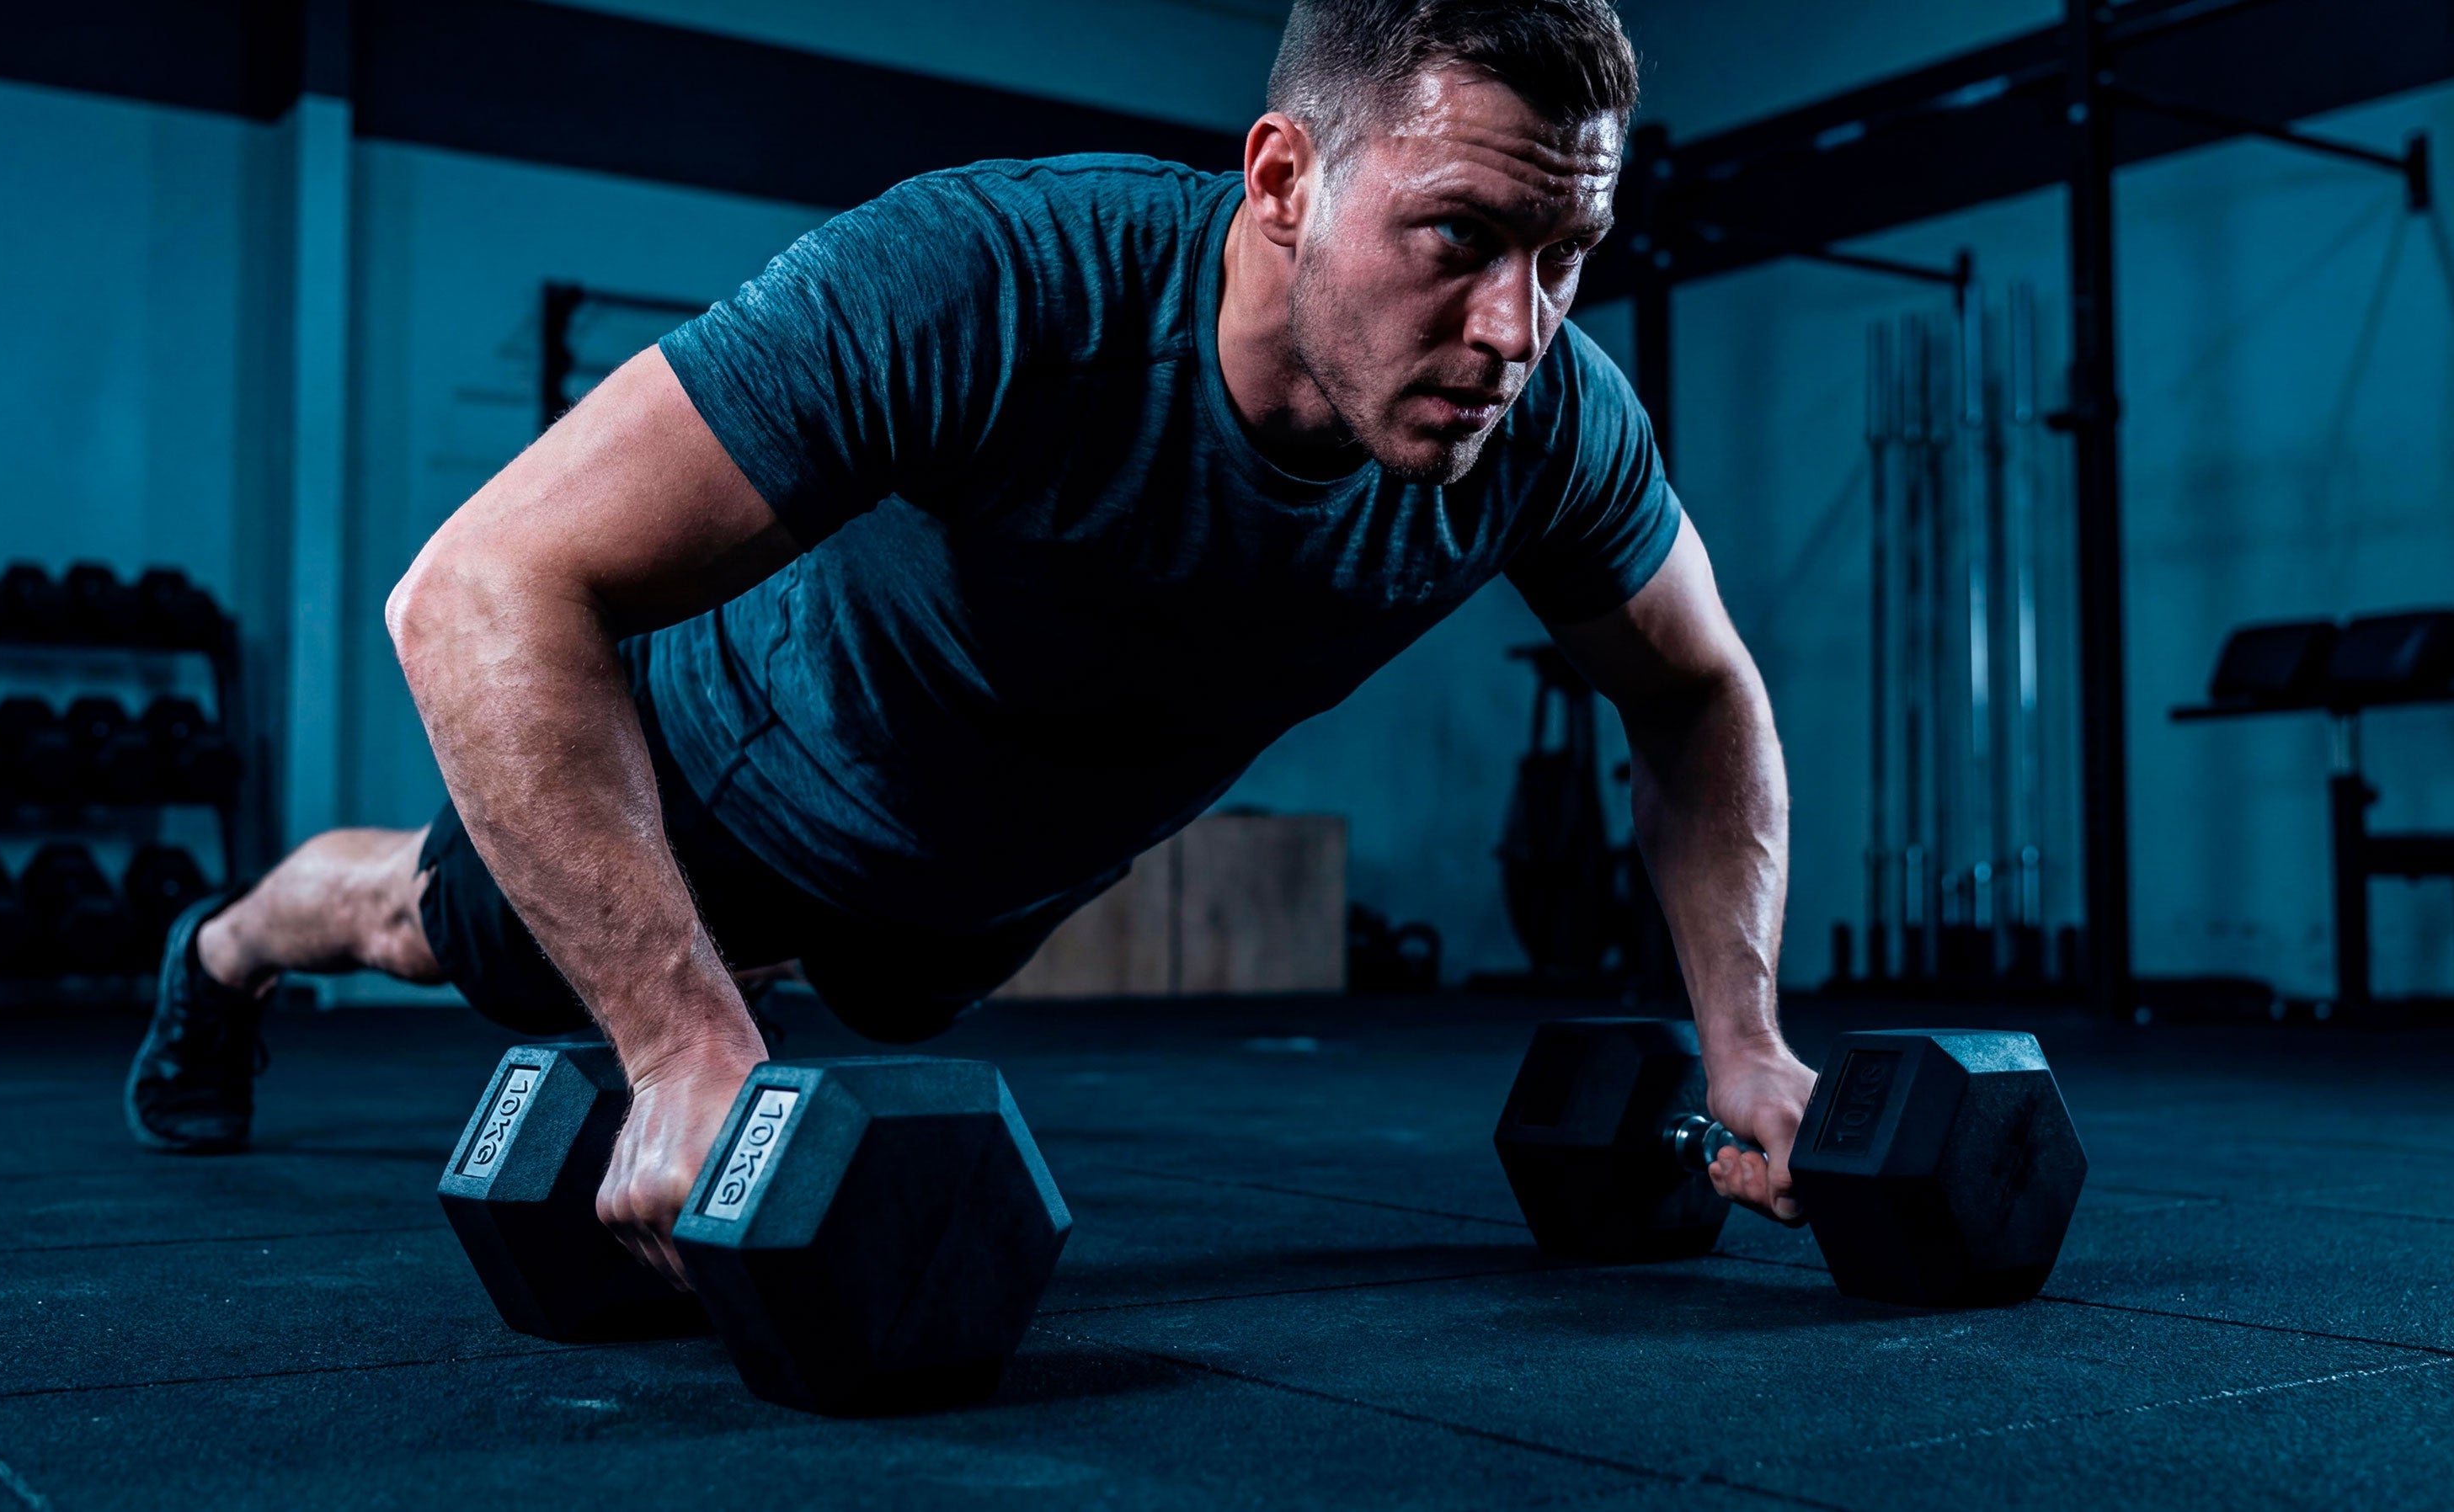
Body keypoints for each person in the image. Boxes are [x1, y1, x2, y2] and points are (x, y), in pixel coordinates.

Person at [125, 0, 1811, 1286]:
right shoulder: (993, 283)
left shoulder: (1553, 432)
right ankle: (223, 956)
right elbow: (473, 588)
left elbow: (1697, 692)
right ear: (1287, 180)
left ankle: (745, 985)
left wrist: (1742, 1042)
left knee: (863, 1000)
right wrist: (678, 1044)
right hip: (717, 780)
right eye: (1459, 238)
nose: (1517, 326)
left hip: (963, 896)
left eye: (1566, 257)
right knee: (425, 924)